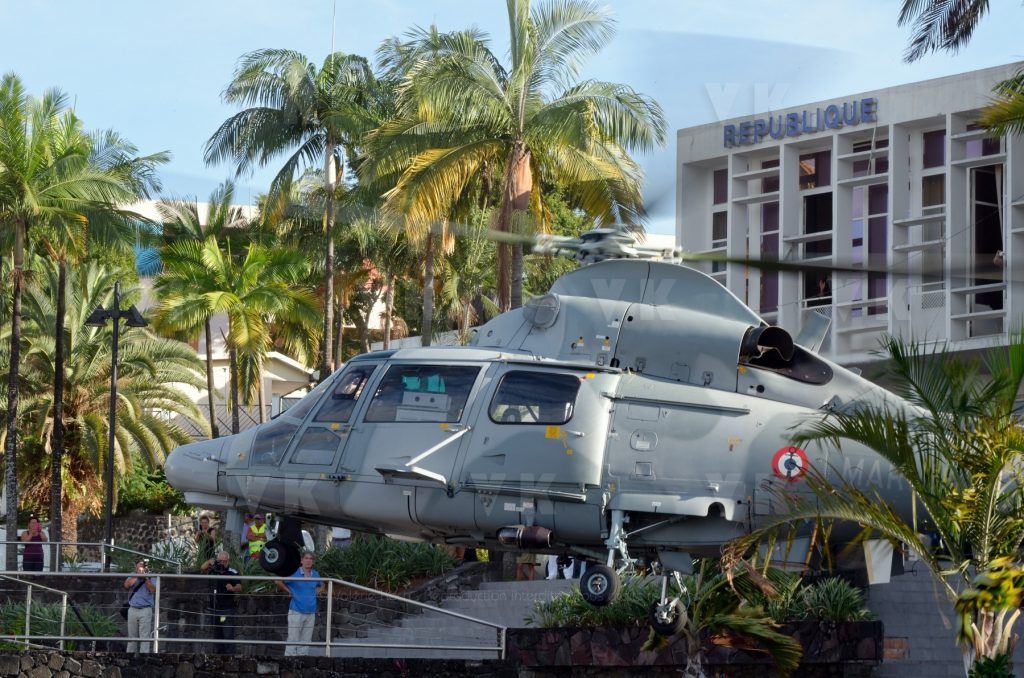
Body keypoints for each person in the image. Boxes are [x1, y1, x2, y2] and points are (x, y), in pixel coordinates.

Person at [274, 550, 324, 656]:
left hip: (311, 612)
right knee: (293, 640)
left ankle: (302, 667)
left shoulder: (315, 574)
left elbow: (322, 584)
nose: (308, 561)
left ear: (313, 561)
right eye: (306, 558)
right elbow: (278, 580)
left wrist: (318, 591)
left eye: (311, 559)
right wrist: (289, 591)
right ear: (301, 560)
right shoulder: (294, 572)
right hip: (296, 611)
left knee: (306, 642)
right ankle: (288, 666)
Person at [201, 550, 241, 654]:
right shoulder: (213, 570)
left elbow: (239, 587)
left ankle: (230, 657)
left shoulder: (232, 572)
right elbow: (202, 568)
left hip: (226, 610)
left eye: (224, 561)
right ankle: (219, 656)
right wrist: (211, 561)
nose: (222, 563)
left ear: (228, 561)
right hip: (214, 608)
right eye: (220, 561)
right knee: (216, 635)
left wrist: (232, 588)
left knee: (228, 634)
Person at [124, 559, 157, 653]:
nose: (142, 567)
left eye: (143, 566)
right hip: (133, 609)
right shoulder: (133, 574)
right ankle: (129, 657)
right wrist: (138, 576)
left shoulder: (151, 576)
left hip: (145, 609)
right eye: (140, 565)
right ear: (136, 567)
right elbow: (127, 585)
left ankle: (144, 658)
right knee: (132, 637)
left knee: (145, 637)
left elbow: (153, 590)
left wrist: (146, 577)